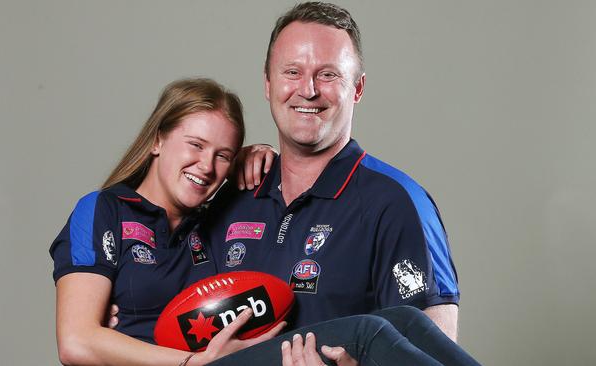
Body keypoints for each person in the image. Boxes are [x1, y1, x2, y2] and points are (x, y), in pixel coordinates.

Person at [50, 78, 479, 366]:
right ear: (158, 139)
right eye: (195, 145)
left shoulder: (211, 220)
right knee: (368, 331)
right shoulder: (103, 210)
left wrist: (249, 157)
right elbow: (76, 342)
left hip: (232, 356)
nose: (206, 165)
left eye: (222, 154)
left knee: (407, 321)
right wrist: (190, 363)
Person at [205, 1, 461, 342]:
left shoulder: (396, 203)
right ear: (268, 84)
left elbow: (434, 353)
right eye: (292, 72)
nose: (308, 90)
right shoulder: (234, 194)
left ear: (357, 88)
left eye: (328, 74)